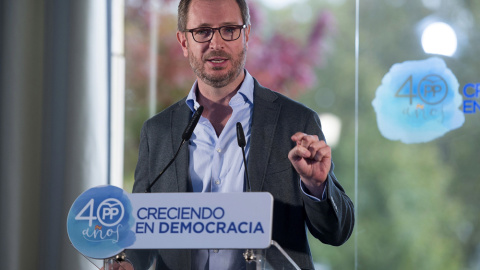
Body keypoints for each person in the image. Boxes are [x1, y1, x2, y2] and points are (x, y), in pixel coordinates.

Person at [119, 0, 354, 269]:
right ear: (184, 42)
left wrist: (316, 187)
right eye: (203, 31)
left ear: (247, 35)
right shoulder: (158, 131)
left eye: (229, 30)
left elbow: (337, 232)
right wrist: (127, 263)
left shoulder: (295, 122)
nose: (216, 44)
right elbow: (140, 231)